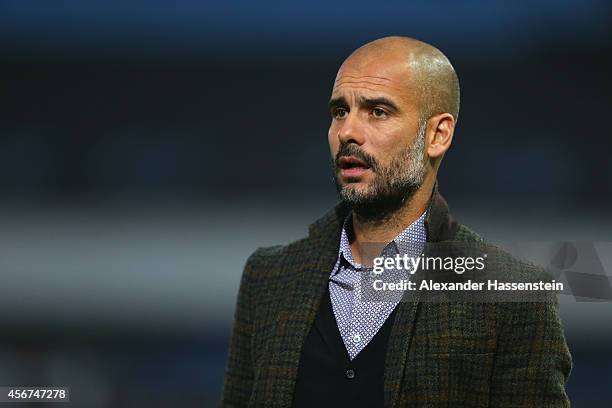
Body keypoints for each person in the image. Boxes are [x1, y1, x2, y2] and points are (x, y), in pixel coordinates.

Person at [221, 36, 572, 407]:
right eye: (340, 111)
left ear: (438, 135)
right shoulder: (270, 277)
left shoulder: (513, 295)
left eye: (378, 112)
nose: (347, 132)